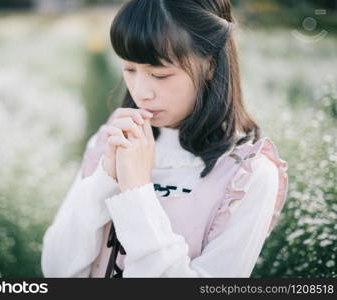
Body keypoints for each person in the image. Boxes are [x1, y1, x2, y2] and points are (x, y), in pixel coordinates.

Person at [41, 0, 289, 278]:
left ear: (209, 64)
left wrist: (136, 191)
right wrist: (104, 180)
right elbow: (56, 270)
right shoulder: (109, 141)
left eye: (159, 74)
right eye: (130, 70)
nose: (141, 92)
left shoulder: (248, 175)